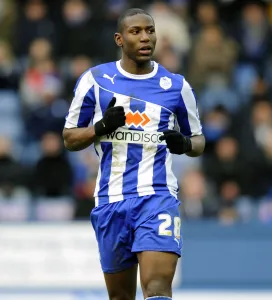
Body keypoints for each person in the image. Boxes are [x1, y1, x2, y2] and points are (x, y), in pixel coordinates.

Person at [63, 8, 205, 300]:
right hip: (111, 201)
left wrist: (185, 145)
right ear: (119, 38)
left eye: (150, 31)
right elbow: (69, 138)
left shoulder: (176, 86)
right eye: (136, 31)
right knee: (120, 297)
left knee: (156, 289)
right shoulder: (95, 80)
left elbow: (199, 140)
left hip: (158, 197)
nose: (145, 38)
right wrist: (100, 127)